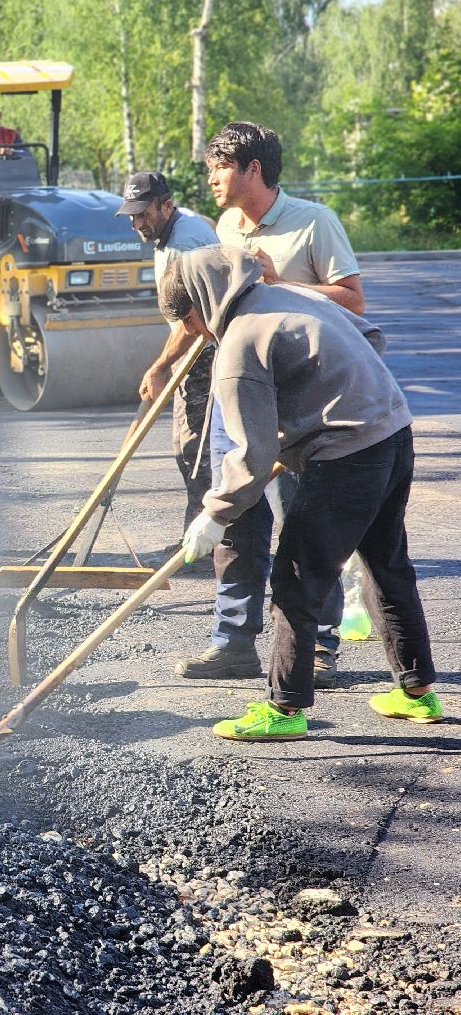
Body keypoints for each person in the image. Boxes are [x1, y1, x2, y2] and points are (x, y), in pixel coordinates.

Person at [162, 245, 441, 741]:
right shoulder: (285, 293)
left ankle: (284, 707)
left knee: (295, 578)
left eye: (188, 320)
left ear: (202, 302)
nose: (192, 334)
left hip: (348, 454)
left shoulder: (238, 347)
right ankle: (416, 690)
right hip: (393, 430)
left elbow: (250, 452)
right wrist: (318, 411)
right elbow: (369, 337)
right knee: (385, 564)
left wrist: (214, 514)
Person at [176, 121, 363, 686]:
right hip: (239, 393)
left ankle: (319, 647)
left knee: (302, 525)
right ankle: (233, 641)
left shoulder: (314, 222)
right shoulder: (225, 226)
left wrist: (282, 284)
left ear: (252, 169)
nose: (210, 179)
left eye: (220, 167)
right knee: (234, 519)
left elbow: (353, 302)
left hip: (298, 408)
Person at [116, 170, 219, 532]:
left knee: (197, 450)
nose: (136, 224)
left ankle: (208, 543)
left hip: (205, 352)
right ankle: (200, 535)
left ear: (166, 205)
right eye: (132, 215)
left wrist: (160, 367)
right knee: (184, 445)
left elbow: (190, 323)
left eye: (143, 214)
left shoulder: (182, 247)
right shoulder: (176, 225)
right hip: (192, 352)